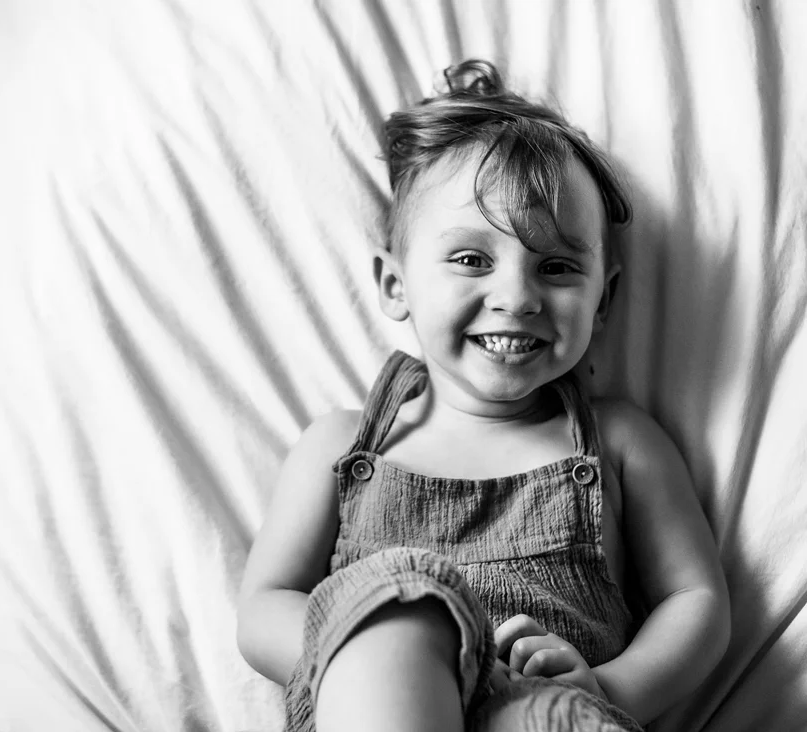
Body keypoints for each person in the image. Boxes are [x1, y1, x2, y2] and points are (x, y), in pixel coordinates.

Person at [236, 59, 729, 731]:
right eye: (472, 260)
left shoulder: (619, 441)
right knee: (402, 606)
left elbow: (695, 600)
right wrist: (381, 637)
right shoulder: (341, 444)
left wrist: (608, 689)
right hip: (382, 702)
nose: (518, 297)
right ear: (394, 284)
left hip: (548, 709)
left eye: (555, 267)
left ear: (603, 300)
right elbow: (264, 606)